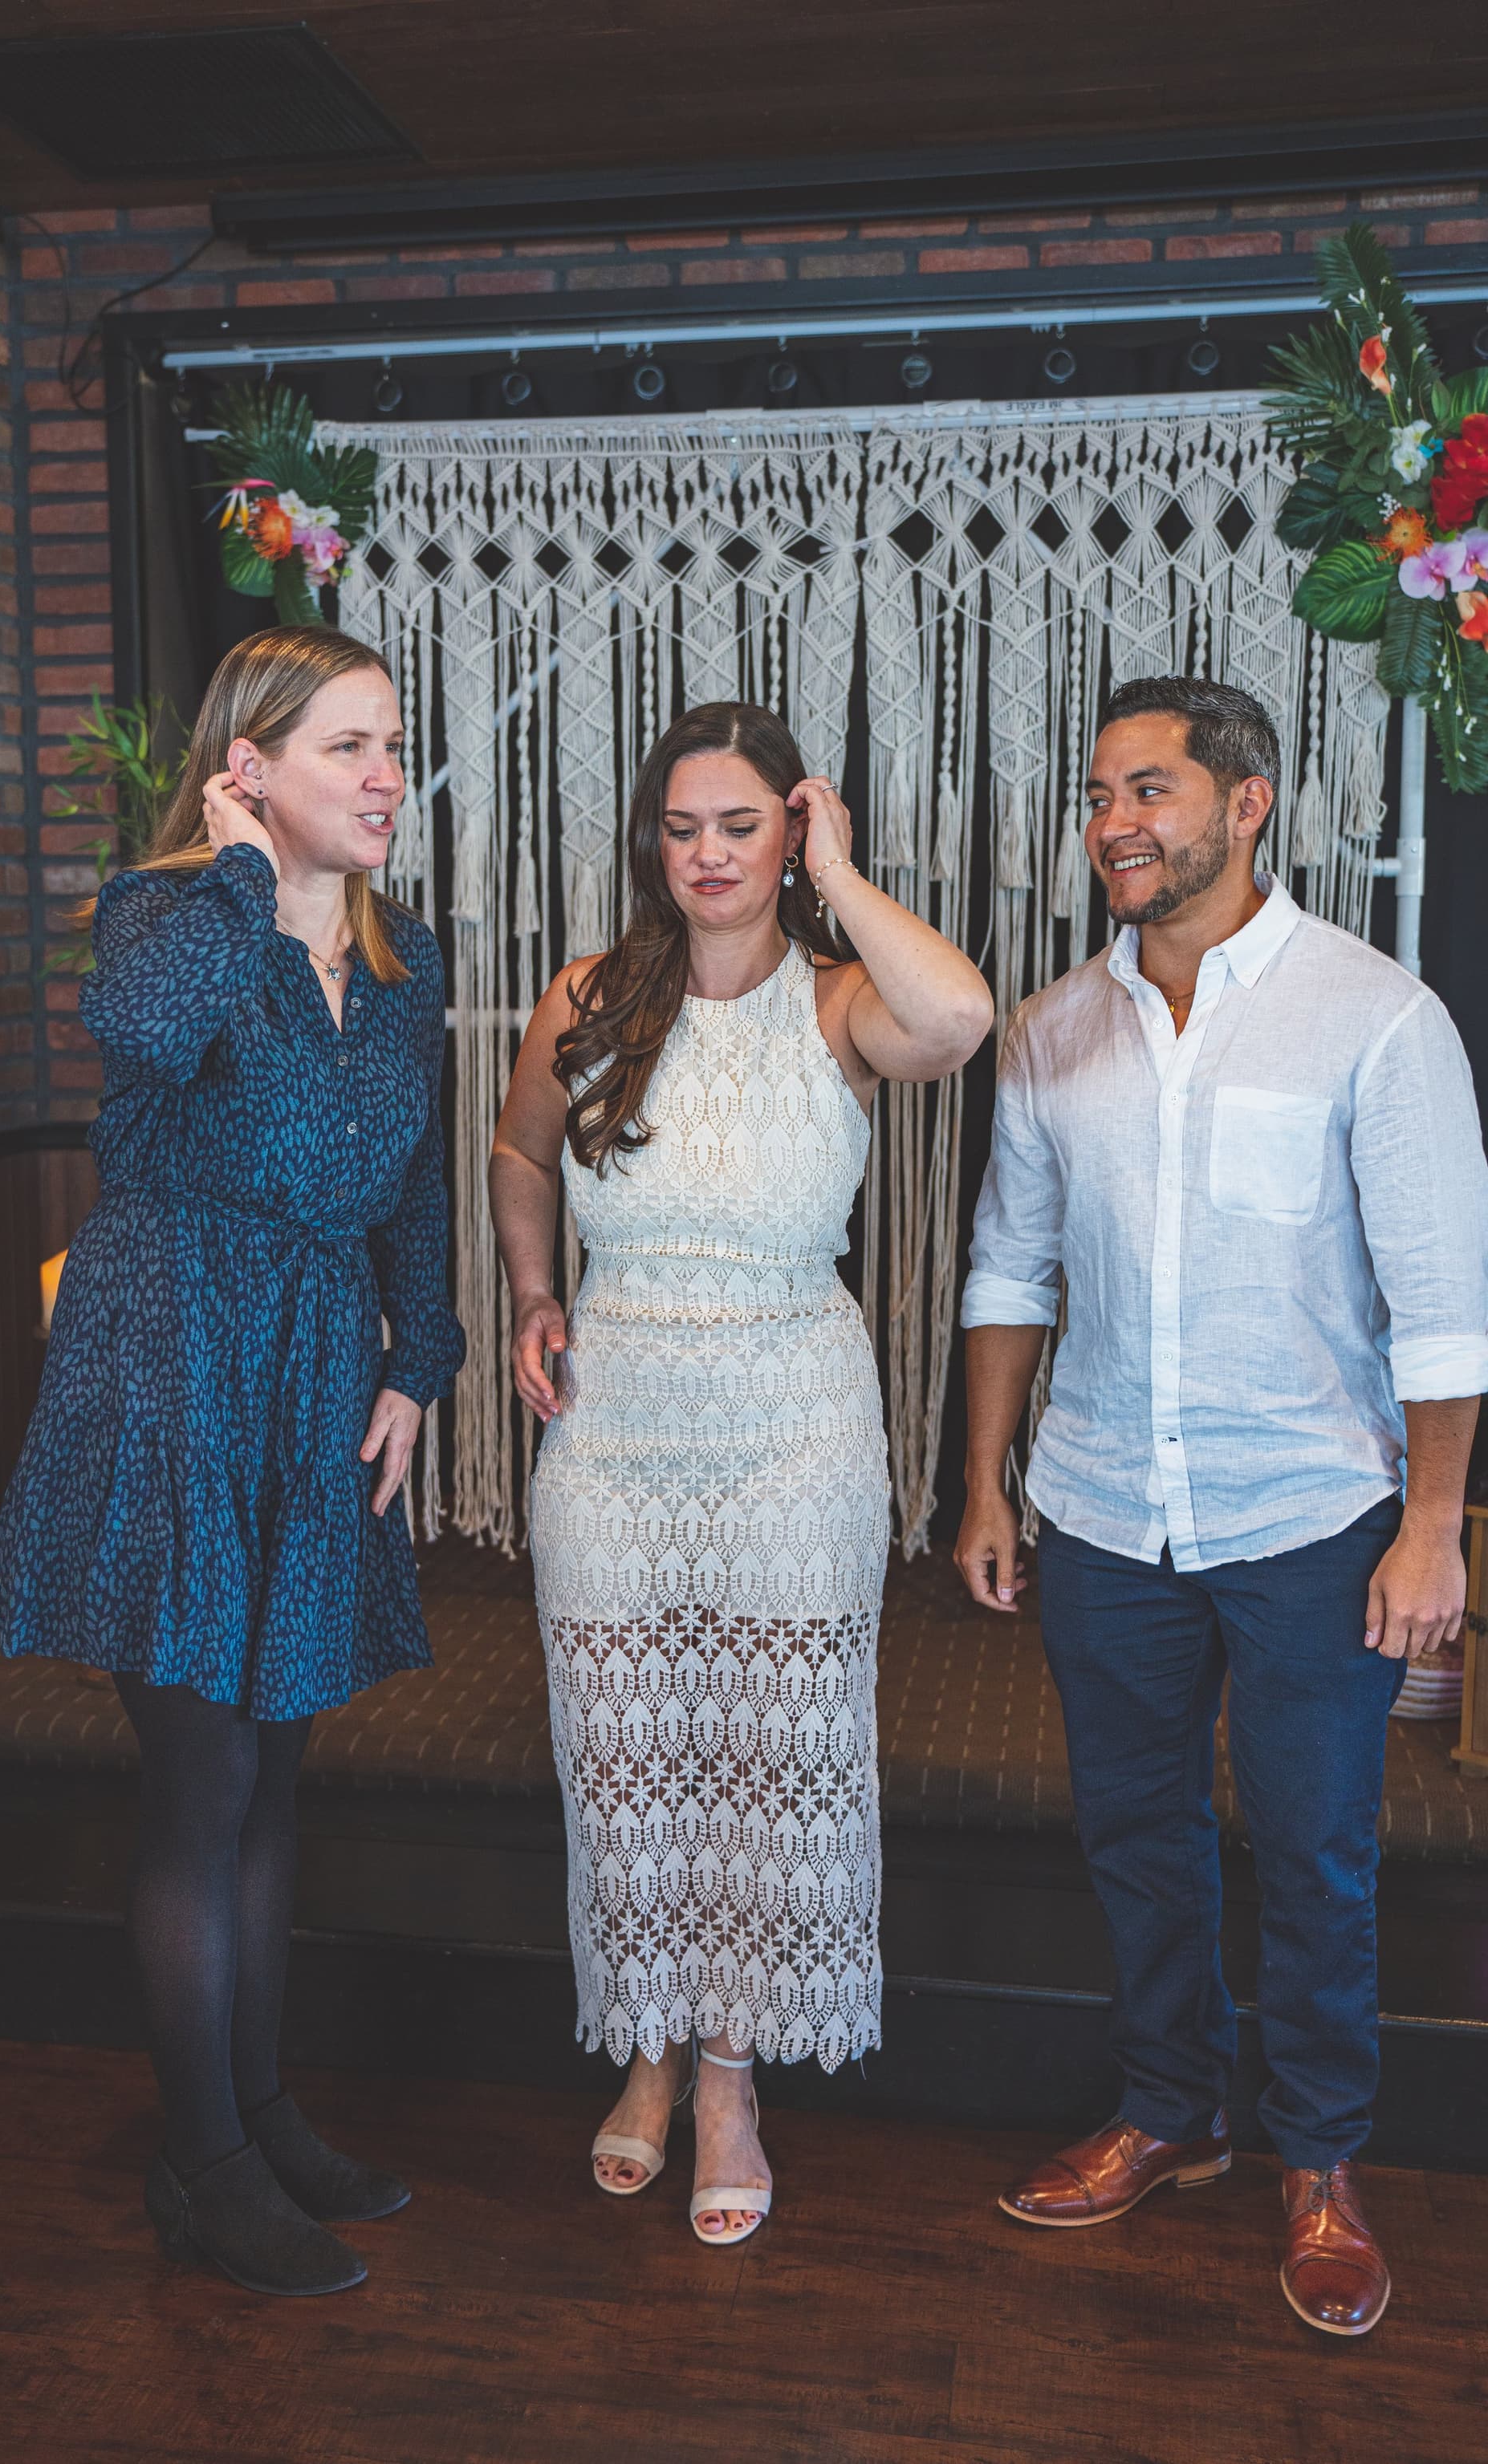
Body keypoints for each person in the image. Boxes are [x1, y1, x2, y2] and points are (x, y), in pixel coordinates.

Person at [954, 675, 1488, 2336]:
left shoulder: (1375, 1017)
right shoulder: (1051, 1030)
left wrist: (1434, 1523)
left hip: (1314, 1516)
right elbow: (1006, 1268)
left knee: (1319, 1853)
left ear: (1245, 804)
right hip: (1105, 1510)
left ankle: (1320, 2159)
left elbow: (1446, 1298)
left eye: (1150, 791)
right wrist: (983, 1478)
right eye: (1099, 793)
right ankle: (1168, 2112)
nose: (1114, 822)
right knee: (1134, 1838)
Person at [0, 627, 465, 2298]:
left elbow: (415, 1194)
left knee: (276, 1784)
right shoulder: (169, 915)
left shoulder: (409, 965)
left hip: (321, 1380)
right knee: (205, 1791)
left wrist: (425, 1362)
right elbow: (142, 1038)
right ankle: (203, 2171)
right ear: (248, 764)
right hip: (170, 1361)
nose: (388, 774)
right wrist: (242, 877)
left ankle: (262, 2116)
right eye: (348, 747)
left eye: (394, 745)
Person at [491, 701, 992, 2245]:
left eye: (742, 825)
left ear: (791, 829)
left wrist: (841, 878)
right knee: (631, 1746)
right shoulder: (586, 994)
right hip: (618, 1408)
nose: (706, 854)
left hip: (791, 1410)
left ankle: (728, 2075)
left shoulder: (846, 1003)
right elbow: (519, 1156)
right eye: (682, 827)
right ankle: (643, 2049)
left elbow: (962, 1019)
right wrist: (530, 1291)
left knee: (771, 1759)